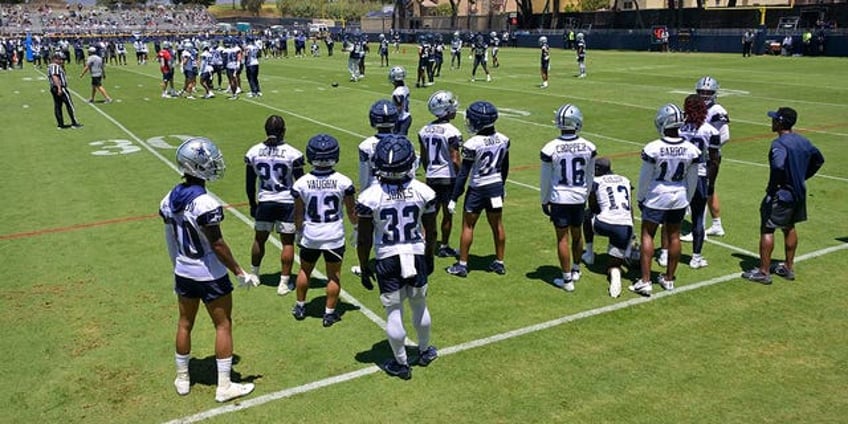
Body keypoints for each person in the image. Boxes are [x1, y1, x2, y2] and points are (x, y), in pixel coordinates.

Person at [160, 137, 258, 403]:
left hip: (183, 270)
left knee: (184, 323)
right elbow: (217, 244)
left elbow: (170, 238)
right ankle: (224, 385)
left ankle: (182, 377)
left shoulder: (169, 198)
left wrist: (176, 267)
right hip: (210, 274)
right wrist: (240, 272)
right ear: (198, 166)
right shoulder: (206, 203)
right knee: (223, 325)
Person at [356, 134, 438, 380]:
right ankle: (424, 351)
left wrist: (363, 264)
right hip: (416, 252)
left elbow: (364, 239)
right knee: (419, 305)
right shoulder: (424, 191)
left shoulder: (369, 196)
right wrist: (430, 256)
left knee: (393, 311)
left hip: (387, 256)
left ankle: (401, 362)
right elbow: (431, 231)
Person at [742, 108, 824, 285]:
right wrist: (802, 176)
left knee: (767, 228)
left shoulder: (779, 144)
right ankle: (788, 266)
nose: (771, 122)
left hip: (782, 194)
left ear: (779, 122)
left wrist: (773, 187)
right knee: (789, 226)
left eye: (774, 120)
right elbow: (818, 159)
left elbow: (778, 166)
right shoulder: (803, 140)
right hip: (798, 192)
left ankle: (764, 271)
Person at [629, 104, 701, 297]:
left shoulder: (653, 147)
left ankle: (645, 281)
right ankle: (669, 278)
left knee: (647, 234)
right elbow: (693, 179)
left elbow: (645, 177)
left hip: (657, 195)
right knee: (674, 235)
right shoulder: (691, 149)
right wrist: (688, 199)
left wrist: (640, 197)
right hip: (679, 195)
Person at [291, 134, 357, 326]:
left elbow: (298, 213)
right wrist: (356, 227)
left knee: (305, 270)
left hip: (311, 233)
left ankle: (300, 306)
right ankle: (329, 314)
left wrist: (298, 231)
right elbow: (351, 210)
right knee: (333, 275)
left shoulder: (301, 182)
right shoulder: (343, 181)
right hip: (334, 235)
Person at [445, 101, 509, 277]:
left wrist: (454, 197)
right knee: (497, 225)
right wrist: (502, 185)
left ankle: (463, 265)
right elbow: (505, 167)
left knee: (468, 226)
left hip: (478, 188)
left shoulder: (473, 143)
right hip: (495, 186)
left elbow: (463, 174)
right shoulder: (503, 139)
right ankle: (500, 262)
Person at [244, 115, 305, 296]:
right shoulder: (293, 153)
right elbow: (301, 183)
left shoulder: (253, 151)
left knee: (259, 238)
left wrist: (252, 203)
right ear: (283, 131)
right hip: (286, 201)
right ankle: (284, 283)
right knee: (287, 242)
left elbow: (249, 182)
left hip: (265, 200)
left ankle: (254, 274)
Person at [539, 104, 597, 292]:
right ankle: (576, 269)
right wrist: (586, 194)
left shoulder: (550, 147)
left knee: (562, 239)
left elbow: (545, 179)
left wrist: (544, 199)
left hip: (560, 198)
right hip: (579, 196)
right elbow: (590, 175)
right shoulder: (589, 146)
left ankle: (567, 280)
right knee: (577, 233)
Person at [666, 94, 721, 269]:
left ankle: (665, 253)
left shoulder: (679, 129)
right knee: (698, 218)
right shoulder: (711, 131)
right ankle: (696, 257)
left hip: (678, 177)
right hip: (700, 176)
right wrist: (711, 183)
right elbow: (714, 160)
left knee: (671, 217)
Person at [582, 158, 636, 298]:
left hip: (604, 224)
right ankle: (616, 274)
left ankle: (589, 254)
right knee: (614, 265)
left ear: (598, 170)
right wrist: (631, 233)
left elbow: (593, 206)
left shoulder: (596, 181)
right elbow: (630, 207)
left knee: (587, 214)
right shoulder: (625, 179)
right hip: (625, 226)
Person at [418, 90, 462, 259]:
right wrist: (460, 178)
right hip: (448, 177)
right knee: (447, 213)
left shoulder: (424, 130)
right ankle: (443, 245)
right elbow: (455, 158)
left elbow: (424, 157)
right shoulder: (452, 131)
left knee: (430, 213)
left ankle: (423, 242)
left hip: (431, 176)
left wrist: (430, 171)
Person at [695, 76, 730, 237]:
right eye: (701, 91)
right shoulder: (697, 107)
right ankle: (717, 224)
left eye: (708, 92)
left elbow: (724, 136)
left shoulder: (717, 110)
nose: (704, 95)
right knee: (708, 190)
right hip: (700, 156)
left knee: (703, 191)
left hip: (709, 158)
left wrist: (708, 149)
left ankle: (699, 228)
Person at [48, 52, 82, 129]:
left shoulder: (52, 66)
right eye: (61, 59)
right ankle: (74, 122)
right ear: (55, 59)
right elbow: (55, 77)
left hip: (54, 88)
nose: (62, 61)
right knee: (69, 104)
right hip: (60, 87)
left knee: (58, 106)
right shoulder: (55, 66)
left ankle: (60, 124)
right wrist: (59, 88)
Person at [389, 66, 412, 135]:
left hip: (401, 119)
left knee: (398, 139)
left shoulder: (397, 92)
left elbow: (399, 106)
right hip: (406, 117)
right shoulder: (405, 88)